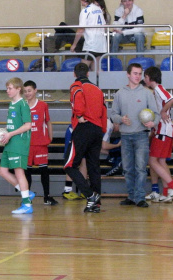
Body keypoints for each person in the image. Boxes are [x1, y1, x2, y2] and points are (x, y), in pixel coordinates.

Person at [110, 63, 159, 208]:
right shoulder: (119, 93)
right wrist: (121, 119)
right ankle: (131, 196)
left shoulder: (146, 93)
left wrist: (152, 123)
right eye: (135, 73)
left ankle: (139, 197)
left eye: (140, 74)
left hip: (141, 136)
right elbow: (113, 114)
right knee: (128, 168)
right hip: (125, 136)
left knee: (140, 168)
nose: (137, 76)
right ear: (128, 74)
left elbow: (156, 114)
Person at [64, 63, 106, 213]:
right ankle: (96, 203)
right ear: (88, 74)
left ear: (75, 74)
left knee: (69, 165)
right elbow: (104, 109)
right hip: (97, 129)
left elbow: (77, 96)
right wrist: (102, 130)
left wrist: (80, 114)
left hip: (84, 127)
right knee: (94, 167)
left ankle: (90, 195)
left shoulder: (76, 85)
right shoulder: (98, 89)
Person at [144, 66, 173, 203]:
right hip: (164, 130)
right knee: (160, 161)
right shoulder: (156, 91)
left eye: (145, 76)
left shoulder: (158, 89)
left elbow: (171, 99)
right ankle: (166, 192)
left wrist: (163, 111)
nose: (144, 79)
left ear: (149, 77)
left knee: (152, 160)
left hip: (164, 130)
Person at [0, 78, 34, 214]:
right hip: (10, 142)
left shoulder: (22, 104)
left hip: (19, 143)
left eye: (10, 88)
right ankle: (27, 193)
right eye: (7, 88)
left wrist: (10, 134)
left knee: (19, 173)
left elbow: (28, 125)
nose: (8, 91)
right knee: (2, 171)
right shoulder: (11, 104)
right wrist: (5, 135)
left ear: (19, 89)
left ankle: (27, 205)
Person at [23, 80, 58, 206]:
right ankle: (27, 197)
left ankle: (47, 196)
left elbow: (48, 121)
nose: (27, 93)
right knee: (27, 172)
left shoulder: (43, 105)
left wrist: (50, 136)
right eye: (25, 91)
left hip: (40, 143)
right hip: (27, 144)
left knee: (44, 170)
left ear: (35, 90)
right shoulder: (22, 105)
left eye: (29, 91)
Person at [70, 0, 107, 72]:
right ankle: (104, 82)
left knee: (82, 69)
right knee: (96, 68)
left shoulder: (85, 11)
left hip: (91, 44)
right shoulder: (98, 9)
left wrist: (74, 45)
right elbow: (105, 26)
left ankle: (80, 83)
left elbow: (81, 29)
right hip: (101, 44)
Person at [62, 124, 87, 200]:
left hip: (85, 131)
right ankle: (67, 191)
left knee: (84, 160)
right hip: (75, 130)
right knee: (70, 162)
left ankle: (84, 190)